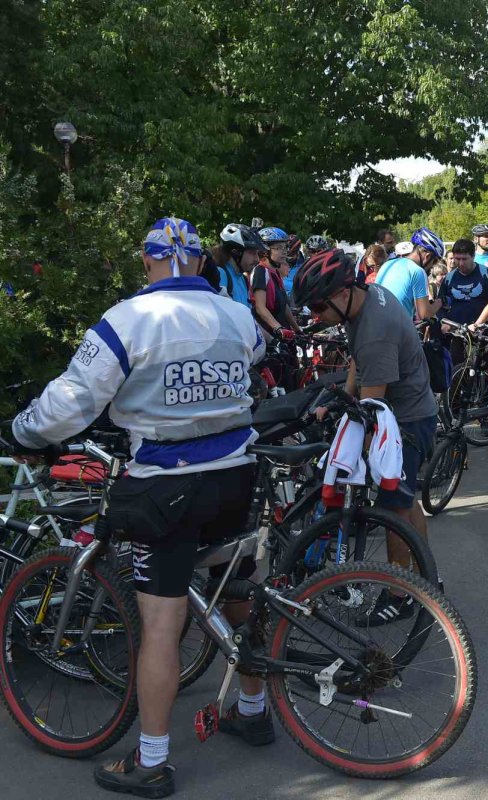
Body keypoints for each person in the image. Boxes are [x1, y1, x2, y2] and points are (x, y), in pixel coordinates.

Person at [8, 218, 265, 797]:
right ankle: (252, 708)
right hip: (236, 474)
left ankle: (152, 760)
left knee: (160, 623)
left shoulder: (127, 320)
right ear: (200, 263)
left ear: (147, 263)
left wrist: (25, 431)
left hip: (164, 485)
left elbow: (73, 399)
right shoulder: (237, 314)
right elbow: (251, 360)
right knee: (241, 594)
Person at [292, 248, 440, 625]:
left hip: (406, 419)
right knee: (406, 500)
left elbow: (373, 408)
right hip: (410, 408)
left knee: (393, 505)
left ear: (342, 294)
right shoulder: (367, 297)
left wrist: (351, 420)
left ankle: (400, 595)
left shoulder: (376, 328)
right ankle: (426, 576)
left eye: (319, 307)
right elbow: (358, 359)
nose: (315, 316)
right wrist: (342, 395)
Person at [249, 227, 302, 343]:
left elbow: (284, 307)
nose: (284, 252)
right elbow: (260, 307)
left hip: (284, 336)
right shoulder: (261, 272)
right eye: (278, 248)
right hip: (270, 337)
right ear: (265, 251)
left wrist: (298, 330)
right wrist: (279, 328)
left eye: (285, 248)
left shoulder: (275, 273)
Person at [374, 242, 434, 320]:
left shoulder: (387, 264)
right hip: (396, 328)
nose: (432, 266)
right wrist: (440, 302)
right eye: (434, 261)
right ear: (427, 256)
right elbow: (424, 314)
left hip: (375, 322)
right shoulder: (418, 271)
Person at [212, 223, 262, 306]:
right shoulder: (221, 274)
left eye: (257, 253)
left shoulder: (242, 278)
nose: (257, 259)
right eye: (252, 253)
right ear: (236, 252)